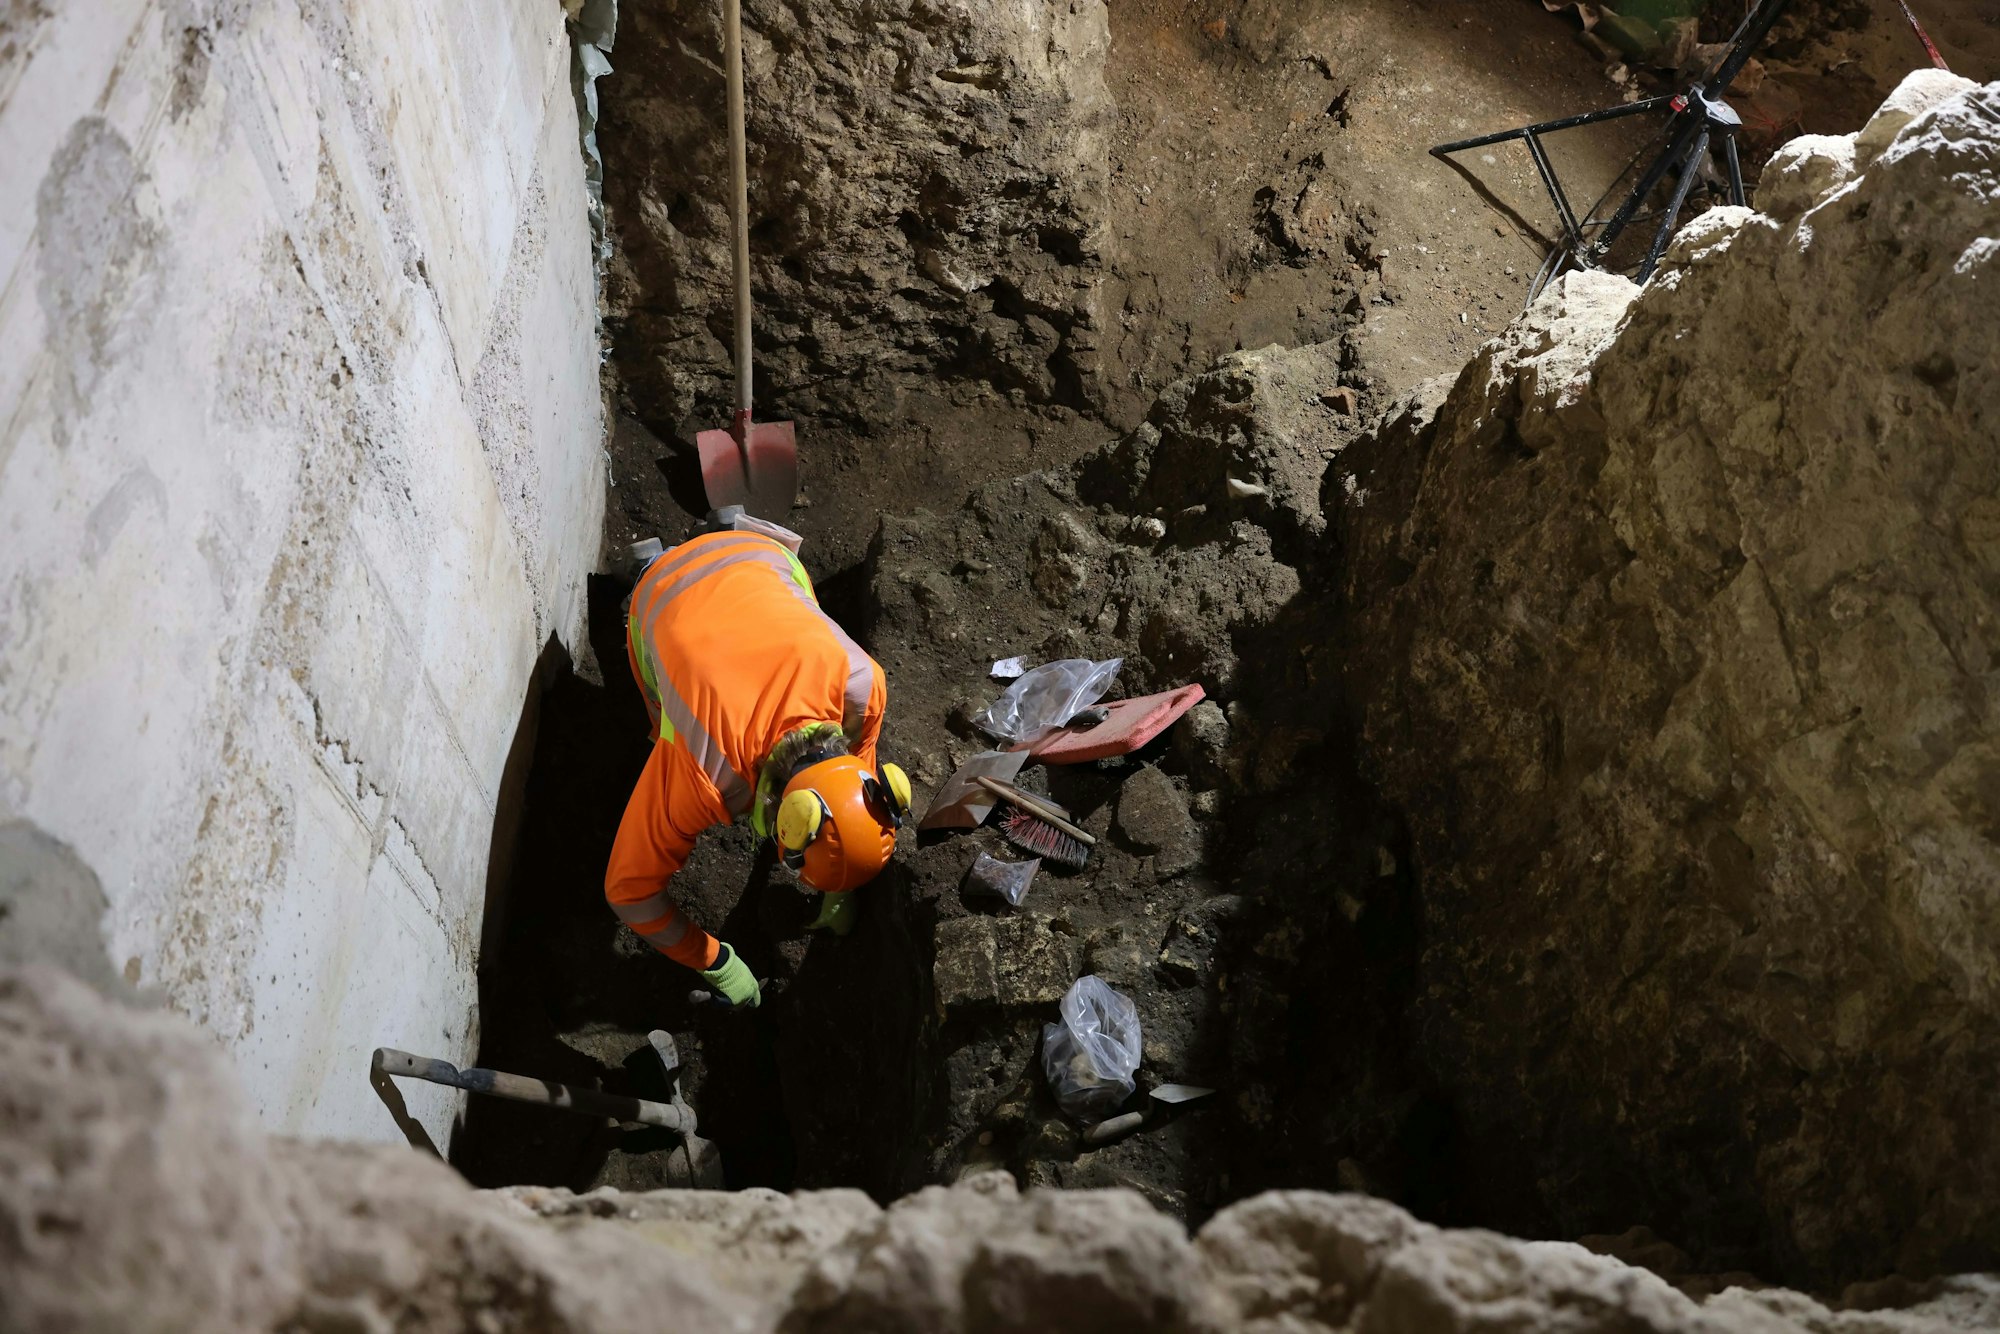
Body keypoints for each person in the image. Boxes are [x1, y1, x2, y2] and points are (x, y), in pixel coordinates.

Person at [605, 524, 910, 1008]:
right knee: (664, 715)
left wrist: (842, 881)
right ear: (782, 825)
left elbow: (856, 777)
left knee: (792, 605)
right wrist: (713, 960)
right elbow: (628, 892)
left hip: (760, 555)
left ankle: (727, 525)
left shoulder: (862, 687)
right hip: (665, 593)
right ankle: (647, 568)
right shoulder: (706, 773)